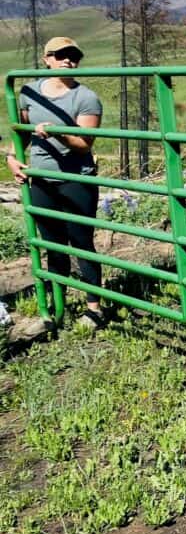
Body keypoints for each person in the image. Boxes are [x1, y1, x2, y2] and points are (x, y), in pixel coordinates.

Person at [7, 37, 105, 330]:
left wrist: (59, 134)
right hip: (41, 179)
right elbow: (21, 132)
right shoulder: (29, 93)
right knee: (52, 244)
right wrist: (12, 157)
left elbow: (84, 144)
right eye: (60, 55)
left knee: (82, 241)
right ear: (46, 59)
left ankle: (94, 309)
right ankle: (56, 306)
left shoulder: (86, 98)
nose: (68, 60)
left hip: (76, 179)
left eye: (73, 56)